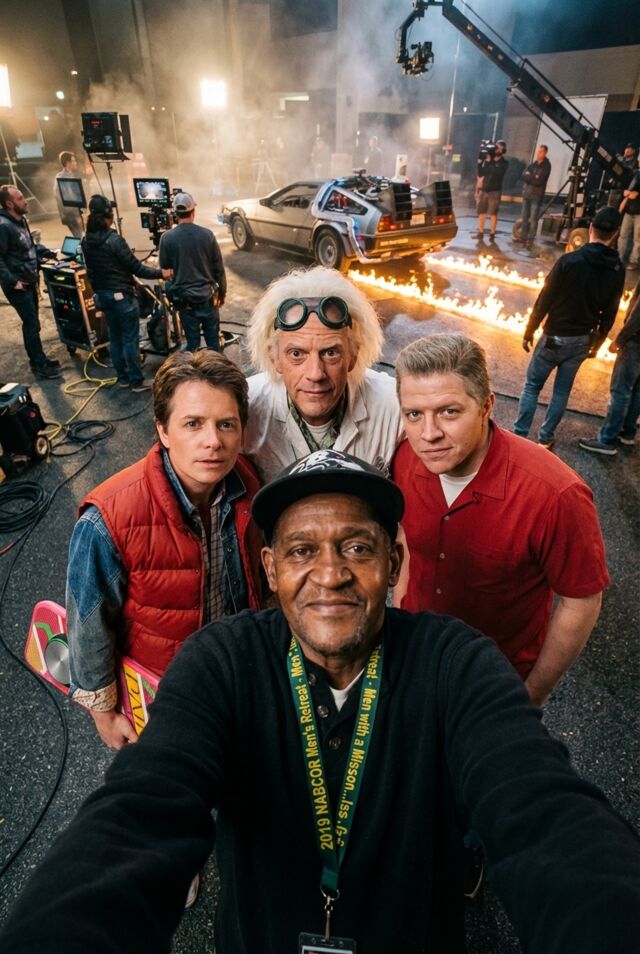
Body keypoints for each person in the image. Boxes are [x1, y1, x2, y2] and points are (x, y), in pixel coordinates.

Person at [1, 449, 639, 954]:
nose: (330, 573)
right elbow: (141, 807)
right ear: (270, 569)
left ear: (394, 562)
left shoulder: (456, 662)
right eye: (302, 551)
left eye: (357, 547)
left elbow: (541, 806)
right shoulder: (221, 661)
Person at [391, 333, 609, 707]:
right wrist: (399, 616)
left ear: (487, 406)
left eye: (449, 412)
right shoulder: (405, 459)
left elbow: (581, 600)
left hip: (494, 684)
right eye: (414, 414)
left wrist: (533, 694)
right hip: (415, 658)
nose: (428, 434)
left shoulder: (556, 494)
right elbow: (408, 545)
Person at [66, 349, 263, 751]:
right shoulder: (108, 518)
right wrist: (104, 714)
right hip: (162, 694)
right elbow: (88, 622)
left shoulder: (249, 484)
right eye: (193, 423)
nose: (213, 441)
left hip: (238, 675)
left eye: (226, 424)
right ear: (163, 431)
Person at [243, 265, 403, 481]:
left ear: (353, 354)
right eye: (297, 354)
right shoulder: (245, 409)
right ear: (274, 357)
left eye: (330, 353)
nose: (316, 374)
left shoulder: (395, 404)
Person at [514, 206, 625, 448]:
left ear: (591, 228)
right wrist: (598, 342)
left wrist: (530, 329)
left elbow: (545, 298)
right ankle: (545, 438)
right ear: (615, 233)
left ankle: (520, 436)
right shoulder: (617, 269)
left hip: (554, 336)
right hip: (581, 340)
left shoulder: (569, 261)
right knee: (561, 392)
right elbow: (610, 312)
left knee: (532, 387)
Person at [82, 194, 164, 391]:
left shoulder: (86, 241)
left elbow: (91, 271)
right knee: (130, 340)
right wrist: (162, 273)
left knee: (115, 338)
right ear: (108, 216)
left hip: (103, 297)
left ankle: (123, 379)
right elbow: (137, 268)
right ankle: (136, 381)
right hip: (121, 298)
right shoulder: (114, 240)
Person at [0, 184, 61, 379]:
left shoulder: (21, 221)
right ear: (9, 204)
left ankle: (39, 359)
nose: (25, 201)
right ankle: (39, 365)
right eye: (19, 198)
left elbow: (30, 247)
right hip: (18, 286)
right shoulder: (3, 226)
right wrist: (13, 282)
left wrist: (49, 253)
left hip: (29, 280)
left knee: (33, 323)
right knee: (31, 325)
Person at [158, 191, 227, 352]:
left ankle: (194, 367)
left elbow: (165, 271)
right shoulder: (207, 235)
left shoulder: (167, 238)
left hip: (185, 302)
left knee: (192, 346)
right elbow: (219, 269)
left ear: (176, 214)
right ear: (193, 212)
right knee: (213, 343)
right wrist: (222, 294)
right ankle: (215, 367)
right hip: (208, 299)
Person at [579, 278, 640, 455]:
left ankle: (607, 440)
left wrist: (620, 340)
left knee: (621, 391)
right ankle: (627, 433)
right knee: (637, 391)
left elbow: (637, 315)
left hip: (636, 342)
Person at [517, 144, 551, 249]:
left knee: (533, 219)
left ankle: (530, 239)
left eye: (541, 152)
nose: (538, 153)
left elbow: (540, 181)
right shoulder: (533, 164)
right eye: (538, 151)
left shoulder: (546, 166)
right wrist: (533, 177)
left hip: (536, 196)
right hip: (527, 194)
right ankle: (522, 238)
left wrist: (530, 177)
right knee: (524, 217)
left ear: (545, 153)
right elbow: (523, 175)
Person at [474, 139, 508, 242]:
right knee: (481, 211)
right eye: (496, 147)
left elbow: (498, 173)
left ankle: (492, 233)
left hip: (495, 190)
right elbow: (481, 173)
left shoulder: (504, 163)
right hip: (485, 189)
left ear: (503, 150)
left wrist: (490, 161)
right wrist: (480, 163)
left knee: (493, 213)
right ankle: (480, 232)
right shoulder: (488, 160)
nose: (497, 149)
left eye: (499, 148)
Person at [54, 151, 83, 238]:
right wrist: (76, 216)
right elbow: (69, 198)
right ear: (68, 163)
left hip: (69, 215)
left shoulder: (62, 175)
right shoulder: (65, 177)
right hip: (71, 215)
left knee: (79, 237)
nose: (75, 163)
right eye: (73, 161)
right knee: (79, 238)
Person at [617, 165, 640, 270]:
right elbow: (623, 186)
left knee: (637, 239)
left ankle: (634, 261)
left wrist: (637, 194)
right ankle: (619, 258)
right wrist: (624, 192)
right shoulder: (634, 174)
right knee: (623, 236)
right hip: (628, 211)